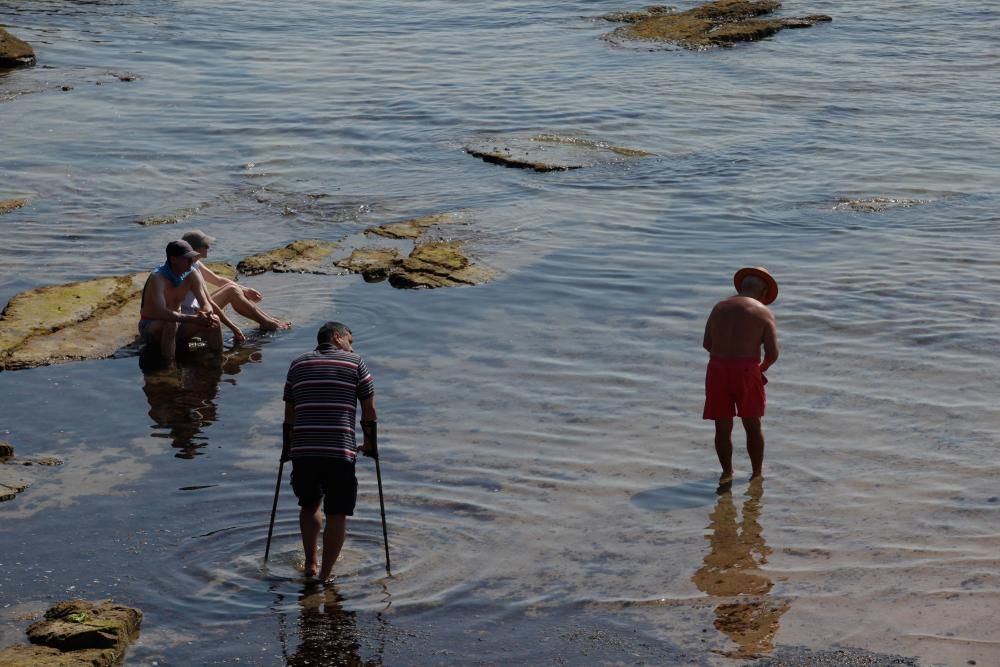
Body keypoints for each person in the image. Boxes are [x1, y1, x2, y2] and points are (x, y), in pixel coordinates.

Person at [283, 322, 377, 581]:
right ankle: (325, 575)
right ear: (337, 338)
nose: (352, 346)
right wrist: (370, 444)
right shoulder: (356, 363)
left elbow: (290, 413)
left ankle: (311, 564)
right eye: (350, 340)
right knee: (337, 512)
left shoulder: (297, 364)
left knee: (309, 504)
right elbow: (369, 411)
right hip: (339, 450)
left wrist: (288, 447)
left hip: (303, 450)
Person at [702, 267, 779, 482]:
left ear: (742, 287)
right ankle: (756, 474)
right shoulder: (763, 312)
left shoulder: (719, 307)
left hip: (717, 369)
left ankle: (727, 472)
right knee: (752, 424)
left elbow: (707, 343)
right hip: (747, 370)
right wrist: (760, 369)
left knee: (722, 427)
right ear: (763, 293)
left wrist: (725, 358)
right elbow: (772, 353)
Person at [180, 230, 291, 337]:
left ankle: (269, 320)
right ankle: (267, 323)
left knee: (232, 287)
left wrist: (244, 289)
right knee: (232, 290)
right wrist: (232, 327)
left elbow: (217, 279)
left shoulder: (195, 263)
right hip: (193, 316)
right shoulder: (185, 269)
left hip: (199, 307)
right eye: (205, 245)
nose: (208, 247)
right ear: (195, 249)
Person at [138, 240, 222, 363]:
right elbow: (162, 313)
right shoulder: (158, 278)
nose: (191, 262)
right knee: (171, 323)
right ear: (173, 259)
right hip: (152, 327)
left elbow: (205, 302)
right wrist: (194, 319)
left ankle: (217, 360)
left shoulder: (192, 273)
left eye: (192, 258)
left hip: (180, 323)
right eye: (187, 259)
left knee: (215, 320)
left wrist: (206, 313)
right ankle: (169, 366)